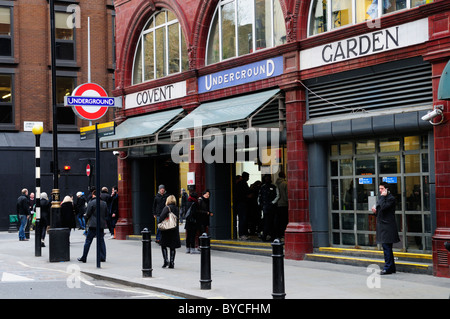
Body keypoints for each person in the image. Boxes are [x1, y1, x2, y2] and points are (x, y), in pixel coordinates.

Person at [371, 182, 400, 275]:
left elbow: (383, 207)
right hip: (382, 226)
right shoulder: (381, 198)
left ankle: (387, 268)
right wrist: (375, 211)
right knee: (387, 248)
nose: (380, 190)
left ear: (387, 189)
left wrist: (383, 197)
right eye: (379, 189)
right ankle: (391, 268)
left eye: (382, 189)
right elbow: (380, 211)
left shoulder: (391, 199)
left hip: (388, 227)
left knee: (387, 248)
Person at [78, 188, 108, 263]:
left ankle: (84, 257)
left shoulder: (91, 202)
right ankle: (103, 257)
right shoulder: (104, 203)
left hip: (92, 225)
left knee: (88, 241)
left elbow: (87, 213)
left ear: (93, 194)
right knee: (101, 241)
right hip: (101, 225)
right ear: (100, 195)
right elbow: (106, 214)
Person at [159, 195, 181, 268]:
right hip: (174, 230)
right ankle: (172, 263)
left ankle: (166, 261)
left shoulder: (167, 208)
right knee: (172, 247)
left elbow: (161, 217)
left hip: (167, 230)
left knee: (163, 245)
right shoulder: (176, 208)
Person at [258, 175, 279, 242]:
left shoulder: (274, 186)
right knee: (266, 222)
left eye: (268, 178)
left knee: (272, 222)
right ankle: (266, 236)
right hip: (266, 207)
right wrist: (260, 204)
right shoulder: (263, 187)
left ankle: (269, 236)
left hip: (271, 207)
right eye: (266, 178)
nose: (267, 180)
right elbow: (259, 196)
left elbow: (278, 195)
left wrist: (272, 203)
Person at [235, 172, 250, 240]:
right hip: (242, 203)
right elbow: (245, 193)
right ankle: (242, 234)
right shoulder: (243, 184)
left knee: (243, 219)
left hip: (240, 203)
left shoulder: (239, 184)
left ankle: (243, 233)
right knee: (243, 219)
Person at [275, 171, 288, 239]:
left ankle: (278, 234)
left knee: (279, 220)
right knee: (284, 220)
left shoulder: (276, 183)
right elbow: (286, 195)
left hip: (277, 204)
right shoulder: (285, 184)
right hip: (284, 204)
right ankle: (283, 233)